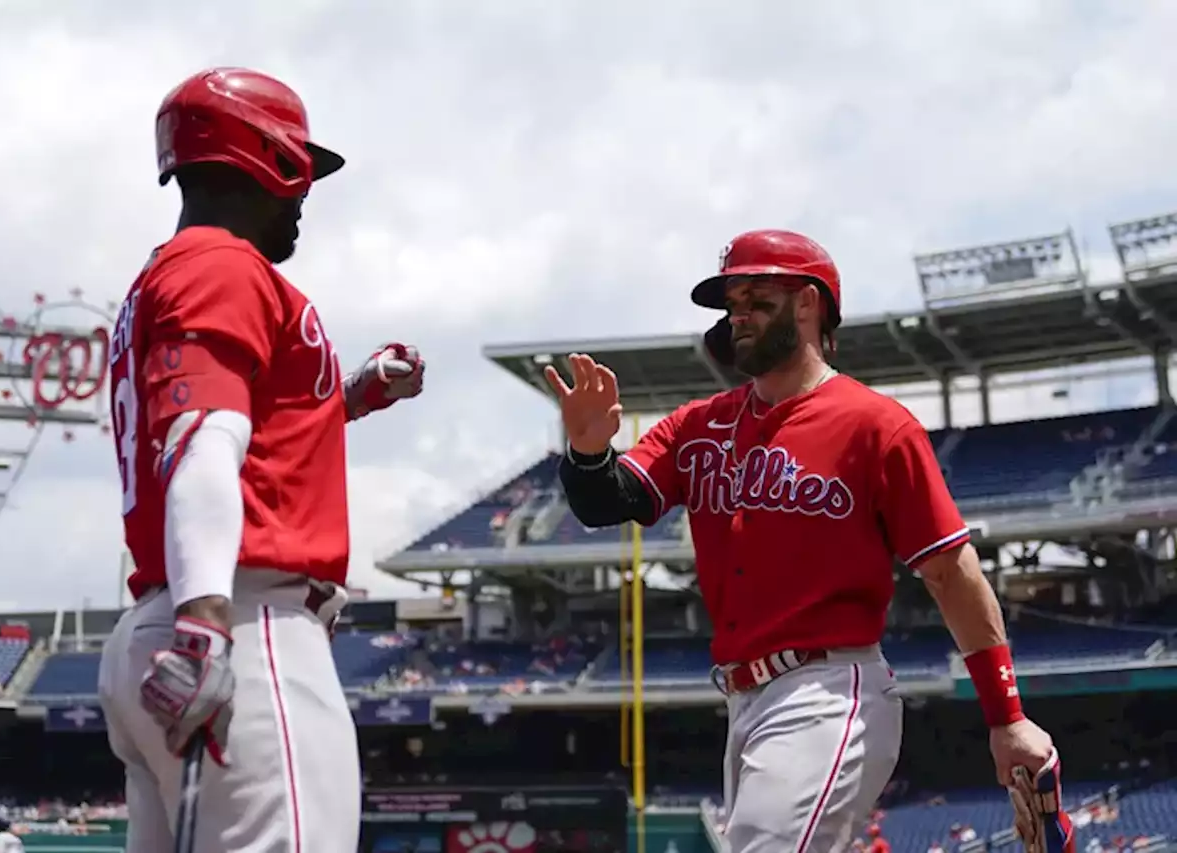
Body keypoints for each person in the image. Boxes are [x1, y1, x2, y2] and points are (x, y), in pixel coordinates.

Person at [548, 229, 1073, 853]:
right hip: (743, 702)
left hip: (827, 692)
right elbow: (608, 502)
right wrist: (587, 453)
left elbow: (950, 572)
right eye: (732, 301)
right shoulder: (699, 424)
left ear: (808, 303)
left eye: (756, 296)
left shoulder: (875, 425)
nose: (737, 313)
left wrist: (1007, 717)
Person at [98, 67, 426, 853]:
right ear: (265, 156)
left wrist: (347, 396)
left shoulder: (170, 275)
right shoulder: (220, 265)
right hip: (245, 613)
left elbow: (243, 424)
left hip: (173, 608)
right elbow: (202, 438)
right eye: (301, 166)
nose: (307, 189)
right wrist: (206, 621)